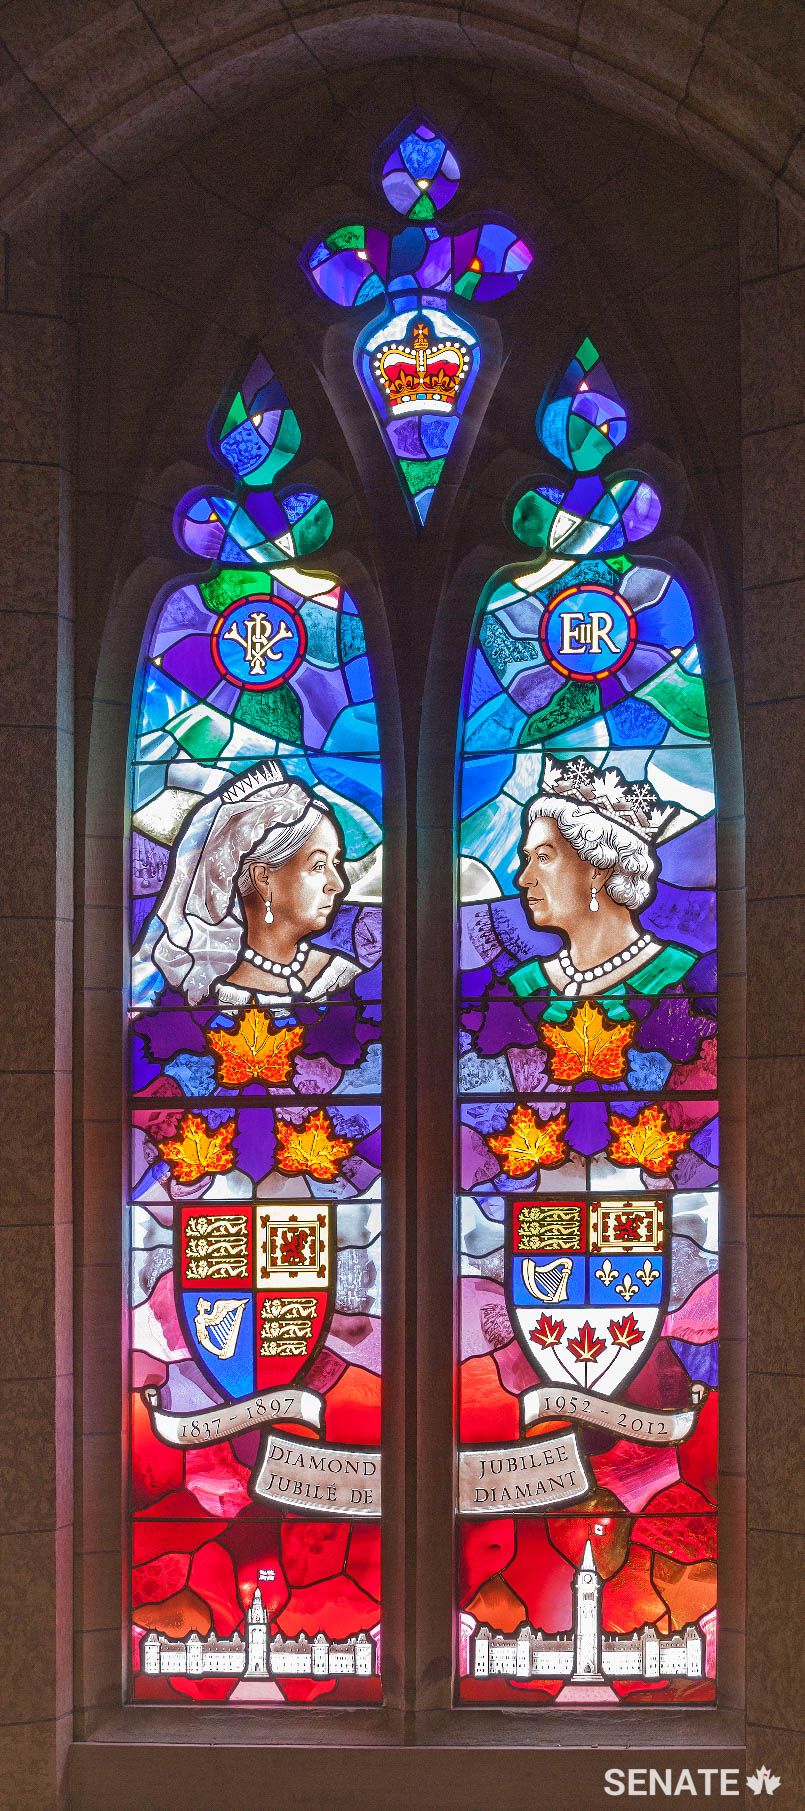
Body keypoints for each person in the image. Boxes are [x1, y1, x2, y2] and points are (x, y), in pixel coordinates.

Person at [137, 759, 360, 1008]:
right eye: (318, 866)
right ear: (262, 878)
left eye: (335, 863)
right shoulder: (210, 997)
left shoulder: (342, 979)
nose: (338, 885)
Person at [508, 754, 696, 1006]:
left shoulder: (680, 977)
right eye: (527, 858)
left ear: (598, 869)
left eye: (543, 857)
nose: (524, 879)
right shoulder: (525, 987)